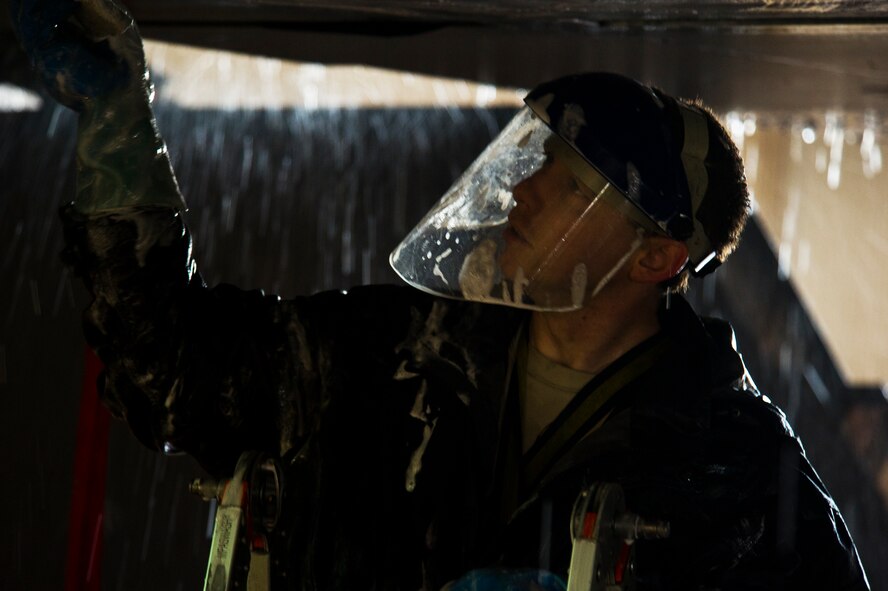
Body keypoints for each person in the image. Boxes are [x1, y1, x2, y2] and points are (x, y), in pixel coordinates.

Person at [13, 0, 870, 589]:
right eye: (531, 159)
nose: (522, 191)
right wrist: (117, 128)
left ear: (656, 258)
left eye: (569, 183)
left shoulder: (739, 475)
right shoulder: (391, 358)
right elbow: (169, 367)